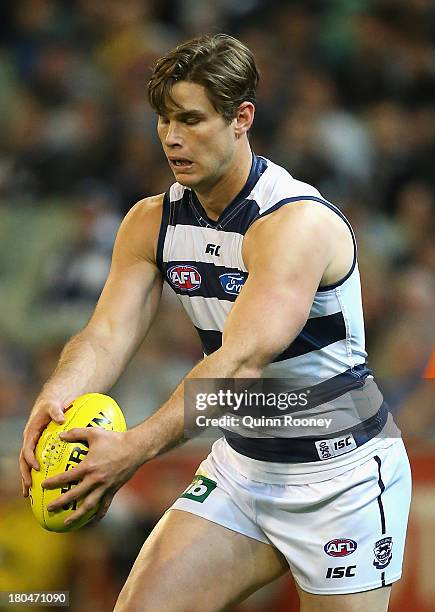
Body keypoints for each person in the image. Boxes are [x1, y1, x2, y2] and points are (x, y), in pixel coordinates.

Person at [20, 34, 411, 612]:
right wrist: (55, 395)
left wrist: (133, 449)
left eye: (191, 119)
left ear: (241, 118)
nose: (172, 138)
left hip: (341, 473)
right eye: (163, 120)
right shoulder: (150, 221)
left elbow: (239, 367)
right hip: (244, 466)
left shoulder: (292, 223)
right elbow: (105, 335)